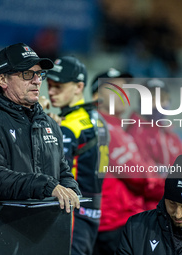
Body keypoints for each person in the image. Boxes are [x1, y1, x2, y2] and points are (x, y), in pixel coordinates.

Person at [0, 43, 80, 213]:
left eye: (39, 74)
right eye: (27, 74)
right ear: (2, 80)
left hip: (47, 229)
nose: (37, 81)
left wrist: (71, 189)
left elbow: (63, 171)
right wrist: (46, 186)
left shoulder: (50, 124)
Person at [91, 68, 165, 255]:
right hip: (113, 224)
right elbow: (140, 178)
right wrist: (172, 185)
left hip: (118, 221)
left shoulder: (117, 129)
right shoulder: (103, 128)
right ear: (95, 96)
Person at [46, 56, 109, 255]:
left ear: (79, 87)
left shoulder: (69, 127)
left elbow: (52, 173)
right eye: (49, 85)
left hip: (72, 212)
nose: (51, 92)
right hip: (92, 210)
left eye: (59, 86)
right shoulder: (98, 119)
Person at [125, 78, 182, 167]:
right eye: (152, 99)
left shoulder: (170, 135)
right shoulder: (134, 134)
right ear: (141, 103)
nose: (157, 105)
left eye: (162, 99)